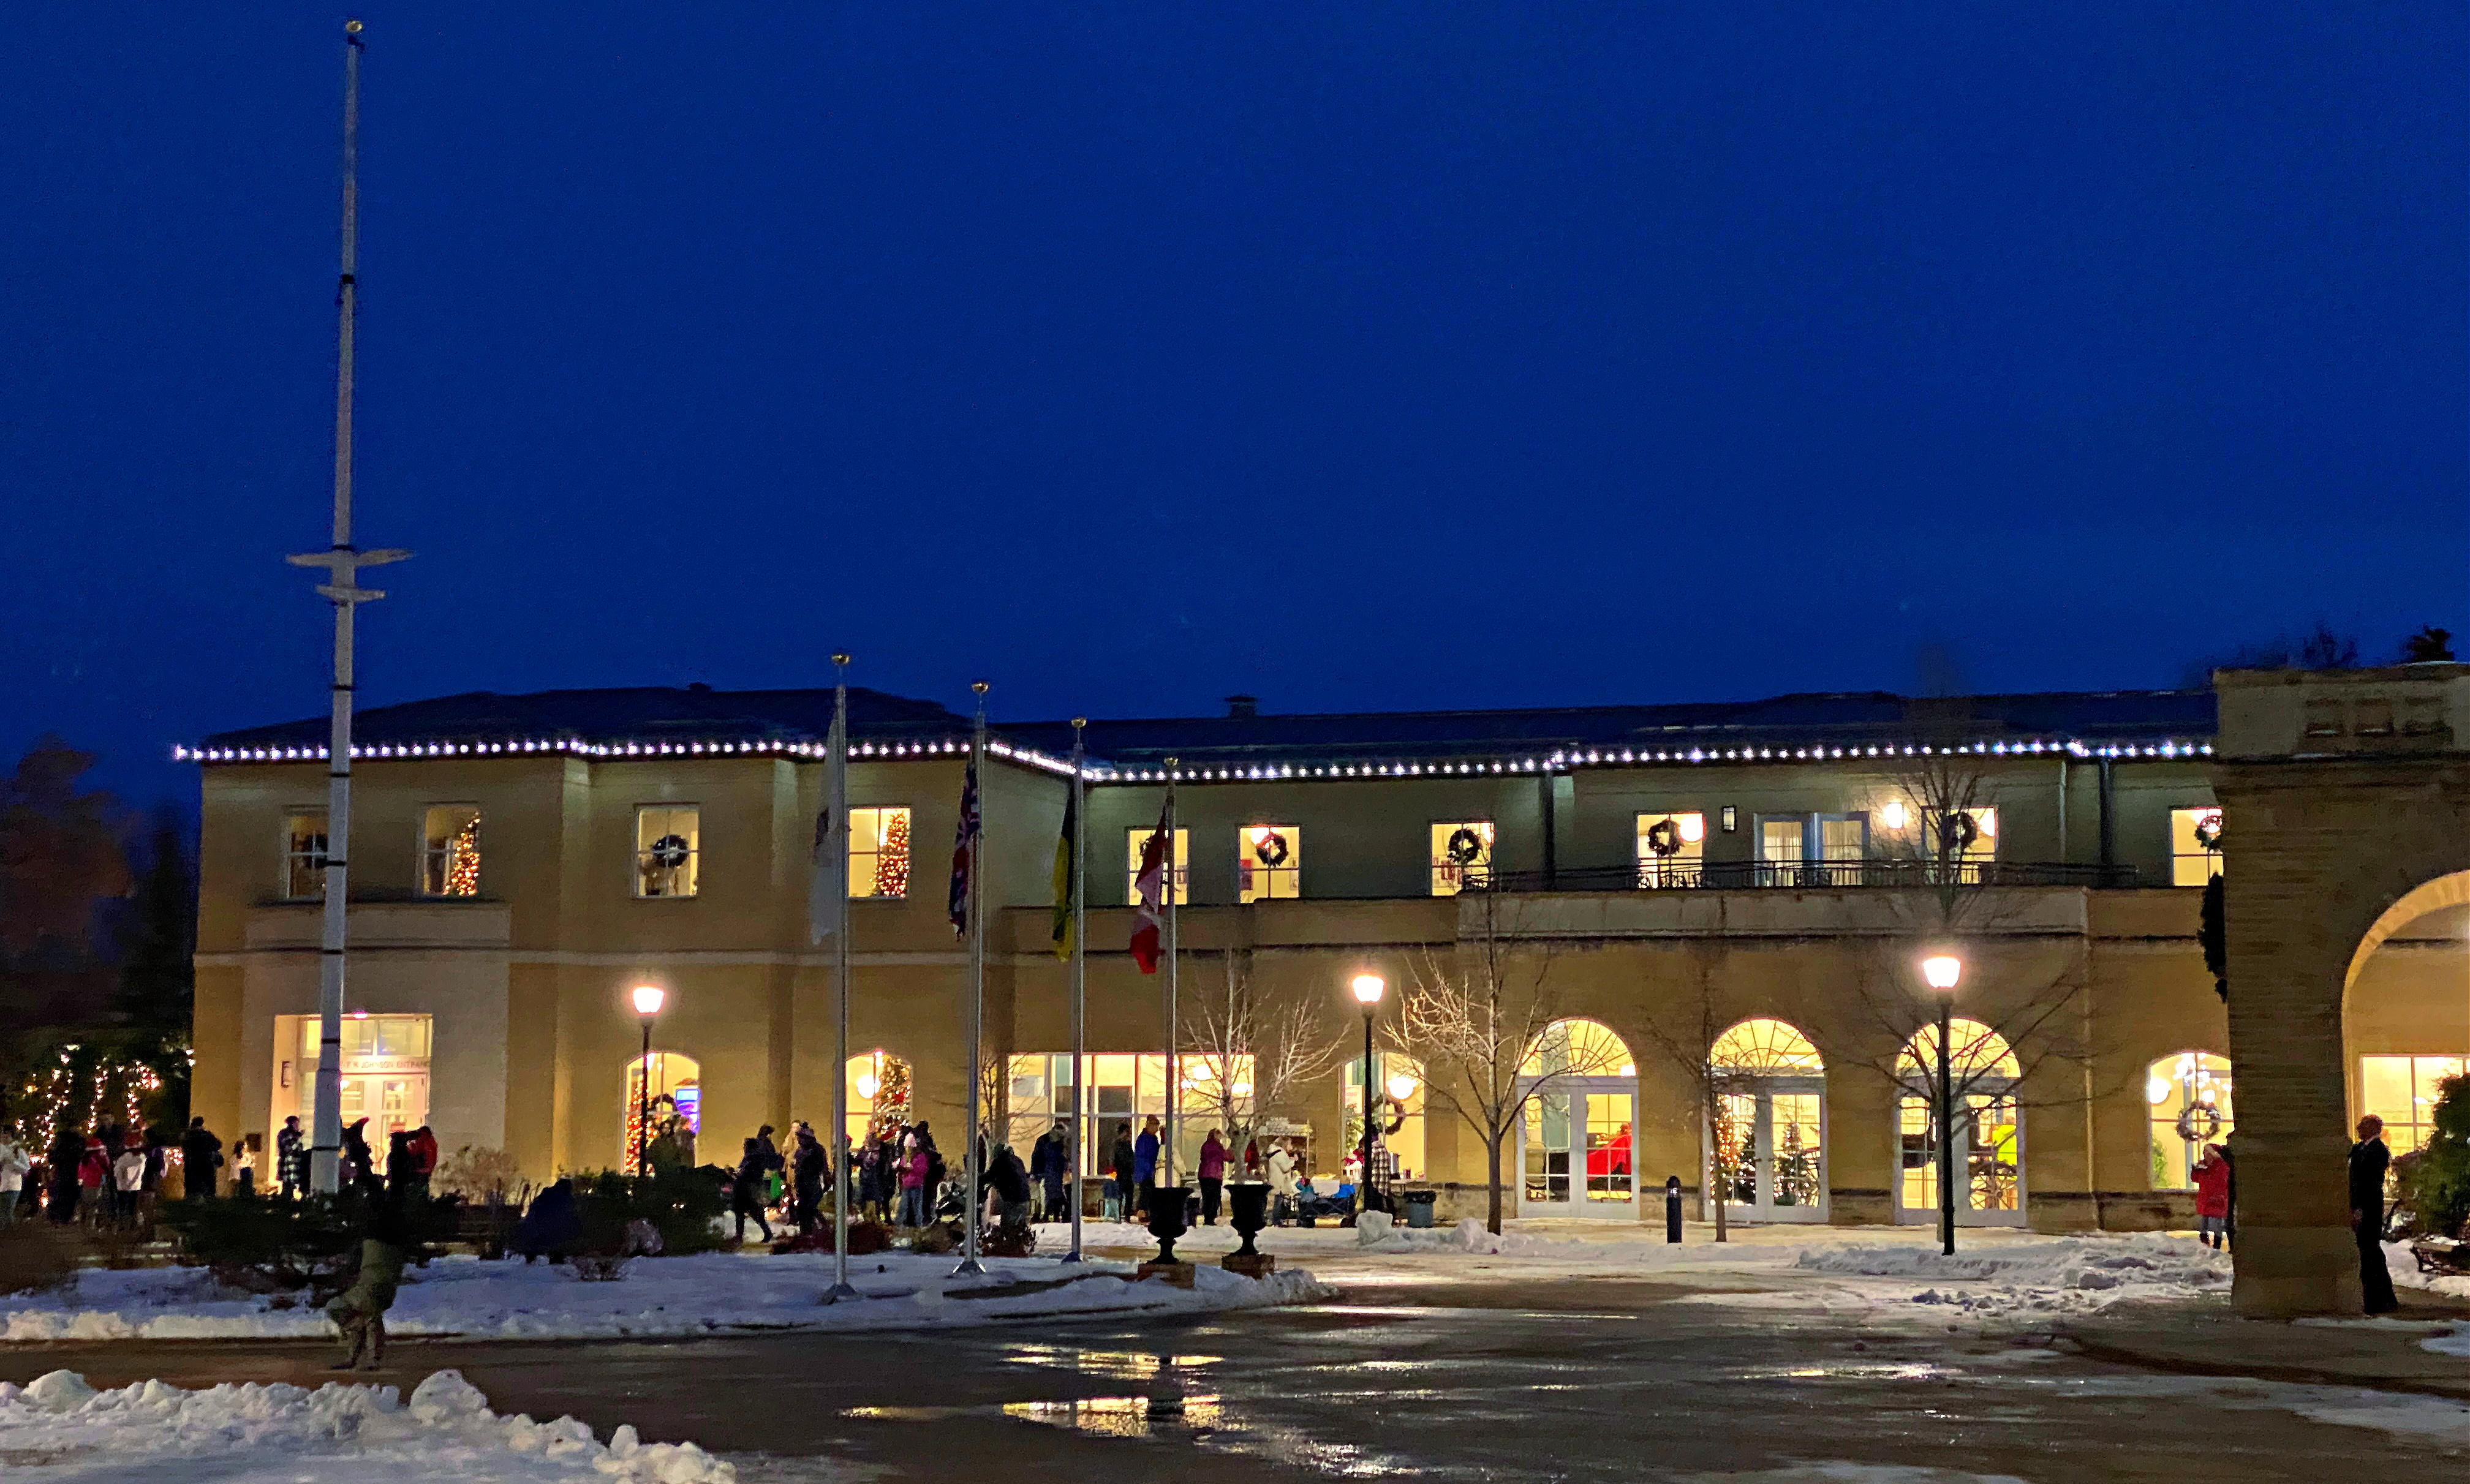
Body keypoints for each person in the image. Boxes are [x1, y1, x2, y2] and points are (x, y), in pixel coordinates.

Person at [2349, 1114, 2399, 1315]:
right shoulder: (2361, 1148)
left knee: (2370, 1250)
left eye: (2363, 1125)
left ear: (2373, 1129)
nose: (2358, 1128)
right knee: (2367, 1251)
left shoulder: (2377, 1151)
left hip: (2369, 1207)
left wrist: (2359, 1207)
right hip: (2362, 1205)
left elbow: (2369, 1182)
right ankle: (2377, 1298)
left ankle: (2381, 1299)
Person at [733, 1129, 781, 1244]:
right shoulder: (754, 1157)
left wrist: (739, 1177)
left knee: (745, 1213)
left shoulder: (753, 1158)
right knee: (751, 1213)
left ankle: (741, 1236)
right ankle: (762, 1233)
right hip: (749, 1189)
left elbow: (749, 1174)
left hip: (748, 1189)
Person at [2192, 1143, 2231, 1249]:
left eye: (2207, 1152)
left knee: (2217, 1222)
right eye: (2204, 1152)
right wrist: (2196, 1169)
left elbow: (2222, 1181)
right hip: (2205, 1197)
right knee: (2204, 1222)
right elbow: (2196, 1179)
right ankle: (2204, 1241)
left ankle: (2217, 1243)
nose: (2204, 1155)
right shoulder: (2203, 1165)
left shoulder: (2221, 1166)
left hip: (2217, 1198)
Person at [1030, 1119, 1071, 1221]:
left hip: (1047, 1172)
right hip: (1053, 1172)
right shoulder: (1059, 1143)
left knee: (1048, 1194)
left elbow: (1036, 1157)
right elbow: (1062, 1158)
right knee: (1054, 1194)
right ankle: (1056, 1215)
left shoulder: (1044, 1140)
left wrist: (1035, 1172)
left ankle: (1048, 1215)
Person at [986, 1141, 1032, 1234]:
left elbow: (989, 1176)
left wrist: (975, 1181)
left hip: (1012, 1198)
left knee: (1008, 1227)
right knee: (1020, 1228)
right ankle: (1021, 1244)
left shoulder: (1000, 1161)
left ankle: (1009, 1244)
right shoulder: (1017, 1160)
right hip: (1025, 1197)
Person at [790, 1124, 827, 1234]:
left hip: (813, 1183)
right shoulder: (800, 1151)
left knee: (809, 1208)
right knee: (803, 1209)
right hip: (802, 1184)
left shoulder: (817, 1150)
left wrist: (809, 1170)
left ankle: (816, 1229)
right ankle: (806, 1231)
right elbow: (798, 1165)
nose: (799, 1141)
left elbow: (821, 1166)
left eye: (801, 1138)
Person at [45, 1128, 84, 1225]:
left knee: (62, 1195)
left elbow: (53, 1158)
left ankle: (58, 1216)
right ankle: (65, 1217)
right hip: (72, 1174)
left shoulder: (61, 1147)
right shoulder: (77, 1146)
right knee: (70, 1196)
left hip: (63, 1174)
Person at [179, 1117, 223, 1202]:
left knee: (193, 1189)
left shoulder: (188, 1136)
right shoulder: (207, 1135)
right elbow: (218, 1145)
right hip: (207, 1165)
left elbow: (185, 1146)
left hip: (192, 1165)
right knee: (208, 1189)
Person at [897, 1126, 930, 1227]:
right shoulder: (905, 1157)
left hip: (916, 1184)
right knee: (904, 1206)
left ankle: (917, 1224)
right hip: (907, 1184)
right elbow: (902, 1167)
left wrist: (912, 1168)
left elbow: (923, 1169)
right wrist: (901, 1168)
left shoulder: (920, 1157)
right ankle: (901, 1224)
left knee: (916, 1207)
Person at [111, 1137, 146, 1232]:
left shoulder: (123, 1158)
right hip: (136, 1186)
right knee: (133, 1207)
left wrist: (121, 1181)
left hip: (122, 1187)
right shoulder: (142, 1158)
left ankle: (122, 1225)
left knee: (122, 1207)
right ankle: (133, 1225)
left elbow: (117, 1172)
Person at [1198, 1128, 1229, 1226]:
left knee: (1207, 1197)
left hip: (1204, 1175)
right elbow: (1227, 1157)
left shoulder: (1206, 1145)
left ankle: (1208, 1218)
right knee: (1214, 1198)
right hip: (1214, 1176)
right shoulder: (1217, 1146)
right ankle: (1210, 1219)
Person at [1134, 1115, 1161, 1218]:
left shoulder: (1151, 1138)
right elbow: (1143, 1157)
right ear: (1150, 1125)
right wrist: (1151, 1170)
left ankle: (1145, 1213)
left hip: (1147, 1171)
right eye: (1156, 1127)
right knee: (1146, 1193)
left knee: (1148, 1193)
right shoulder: (1145, 1139)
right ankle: (1143, 1213)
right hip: (1145, 1172)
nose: (1157, 1130)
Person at [1265, 1141, 1299, 1224]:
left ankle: (1277, 1220)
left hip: (1278, 1181)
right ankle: (1277, 1220)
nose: (1291, 1146)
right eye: (1290, 1144)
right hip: (1280, 1183)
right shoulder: (1280, 1154)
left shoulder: (1277, 1154)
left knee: (1278, 1201)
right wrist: (1293, 1161)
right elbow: (1285, 1168)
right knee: (1278, 1202)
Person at [1108, 1122, 1136, 1222]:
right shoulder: (1117, 1145)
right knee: (1120, 1196)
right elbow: (1112, 1161)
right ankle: (1119, 1215)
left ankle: (1126, 1215)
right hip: (1120, 1174)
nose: (1129, 1134)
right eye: (1127, 1132)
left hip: (1127, 1174)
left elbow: (1131, 1160)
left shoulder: (1127, 1144)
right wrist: (1113, 1176)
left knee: (1129, 1196)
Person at [406, 1125, 439, 1200]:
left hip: (420, 1173)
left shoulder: (426, 1144)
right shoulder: (431, 1143)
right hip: (425, 1173)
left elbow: (414, 1152)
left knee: (417, 1195)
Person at [0, 1132, 27, 1226]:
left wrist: (14, 1162)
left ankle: (12, 1233)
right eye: (3, 1136)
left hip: (14, 1186)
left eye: (7, 1136)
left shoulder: (19, 1151)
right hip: (3, 1185)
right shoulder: (2, 1150)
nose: (4, 1139)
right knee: (3, 1212)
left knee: (8, 1212)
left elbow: (26, 1168)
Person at [276, 1117, 305, 1198]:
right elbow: (289, 1148)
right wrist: (298, 1138)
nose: (298, 1125)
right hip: (288, 1164)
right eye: (297, 1123)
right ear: (292, 1123)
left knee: (291, 1186)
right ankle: (285, 1203)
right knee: (287, 1185)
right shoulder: (285, 1134)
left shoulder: (293, 1134)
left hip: (294, 1165)